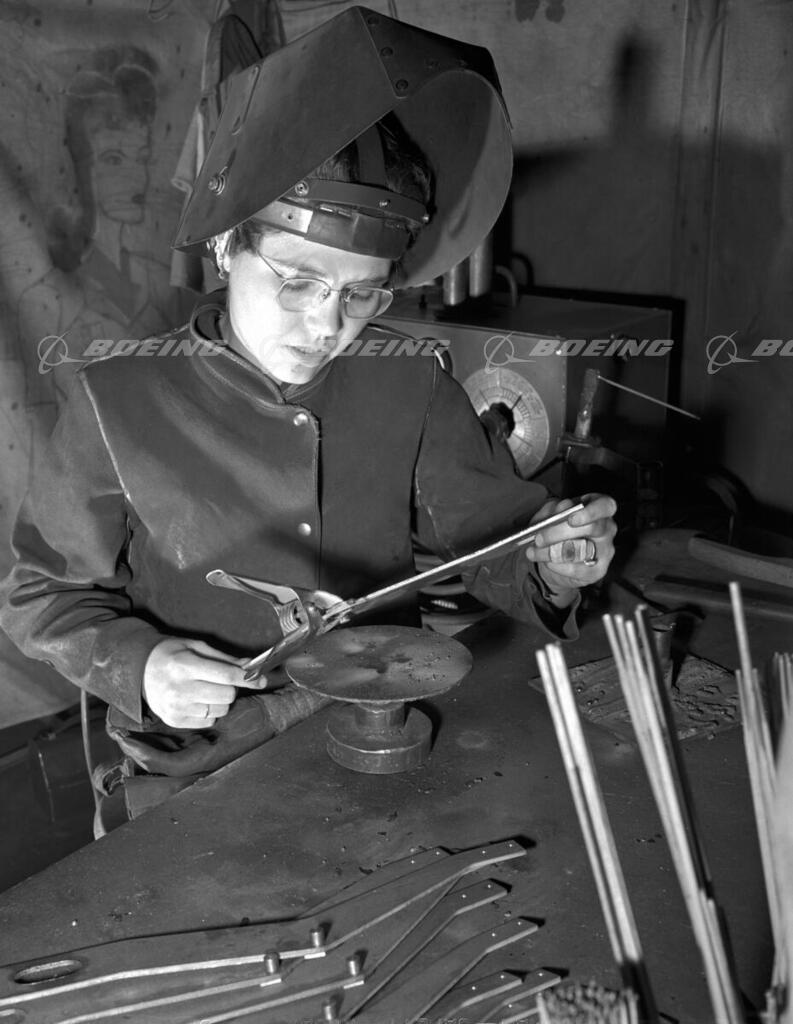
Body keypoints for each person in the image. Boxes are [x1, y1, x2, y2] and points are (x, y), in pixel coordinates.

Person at [0, 9, 616, 821]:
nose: (327, 324)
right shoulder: (120, 402)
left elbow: (489, 542)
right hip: (201, 769)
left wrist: (551, 562)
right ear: (225, 247)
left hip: (381, 732)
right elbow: (43, 592)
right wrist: (140, 665)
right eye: (295, 282)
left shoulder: (410, 384)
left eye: (362, 294)